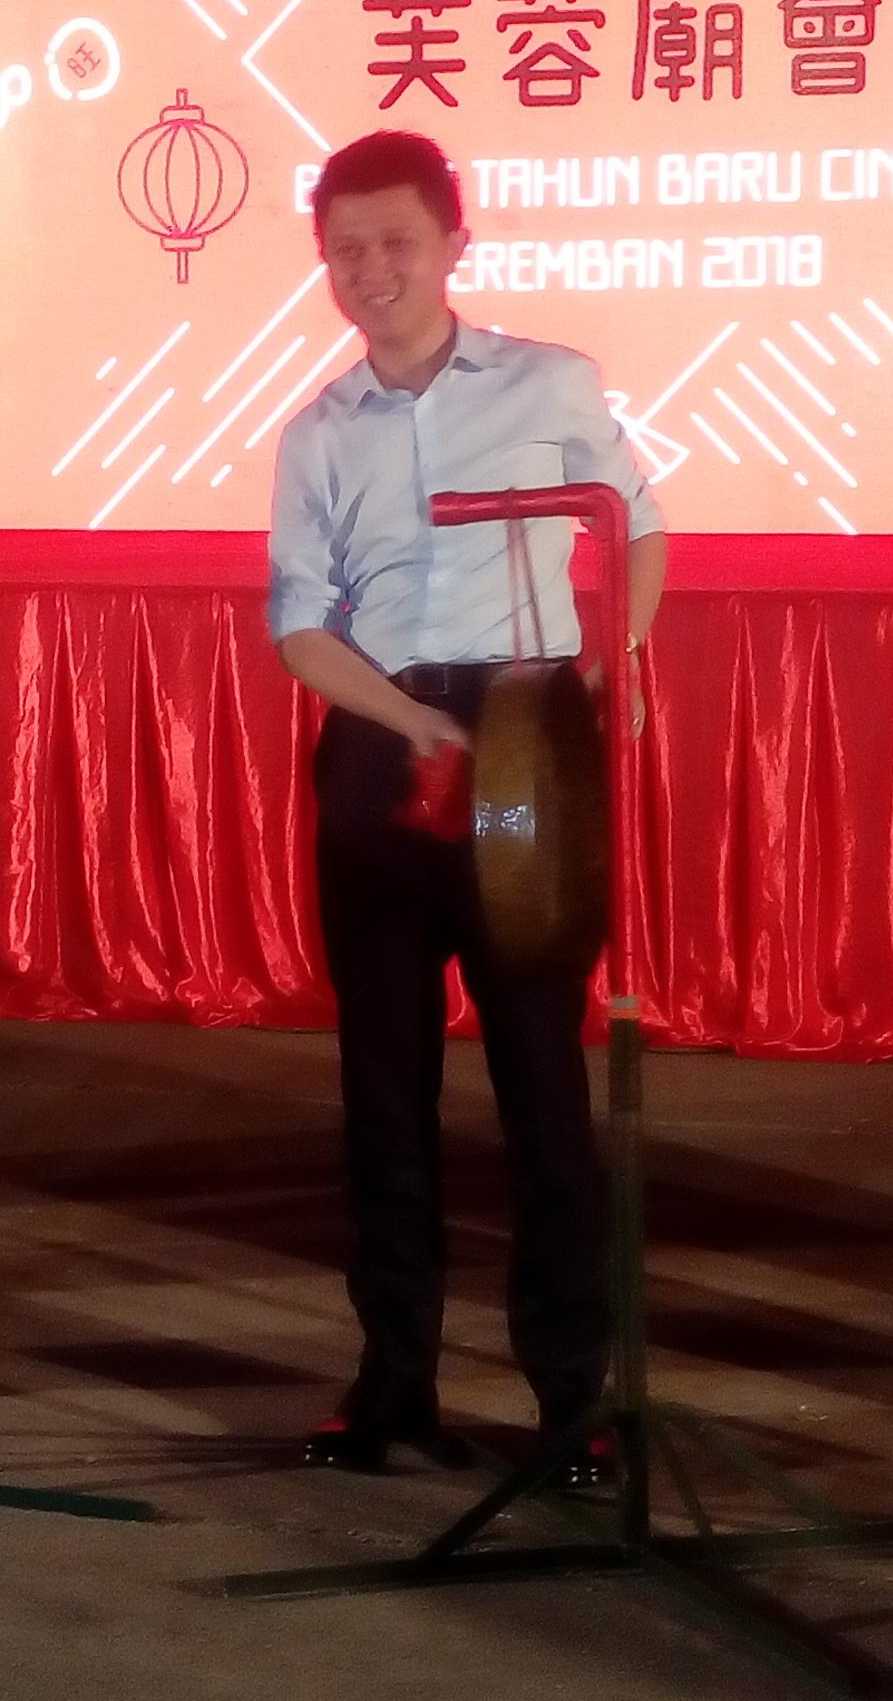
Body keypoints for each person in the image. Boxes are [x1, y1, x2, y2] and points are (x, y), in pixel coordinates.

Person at [266, 129, 663, 1481]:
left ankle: (571, 1404)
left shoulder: (553, 382)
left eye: (397, 243)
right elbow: (300, 629)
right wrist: (411, 723)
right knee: (382, 1093)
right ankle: (393, 1384)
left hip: (521, 761)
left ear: (453, 245)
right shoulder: (316, 434)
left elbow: (639, 534)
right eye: (346, 250)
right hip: (385, 753)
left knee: (542, 1084)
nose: (371, 270)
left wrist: (595, 681)